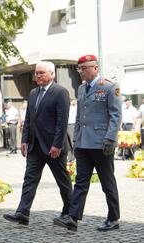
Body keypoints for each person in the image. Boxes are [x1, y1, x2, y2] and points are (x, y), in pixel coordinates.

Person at [54, 54, 121, 232]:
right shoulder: (82, 89)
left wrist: (110, 139)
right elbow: (78, 117)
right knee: (81, 182)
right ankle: (73, 218)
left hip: (101, 144)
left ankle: (113, 218)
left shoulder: (109, 86)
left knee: (107, 182)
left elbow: (115, 115)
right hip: (83, 143)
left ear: (95, 68)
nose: (81, 72)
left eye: (84, 68)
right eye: (79, 68)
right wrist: (75, 139)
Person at [3, 61, 72, 226]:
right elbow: (28, 120)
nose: (37, 76)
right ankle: (22, 213)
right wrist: (24, 140)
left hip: (53, 147)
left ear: (52, 74)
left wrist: (56, 145)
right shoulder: (33, 93)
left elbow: (62, 122)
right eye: (36, 73)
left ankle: (70, 212)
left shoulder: (60, 92)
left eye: (41, 73)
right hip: (35, 146)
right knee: (29, 180)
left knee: (62, 180)